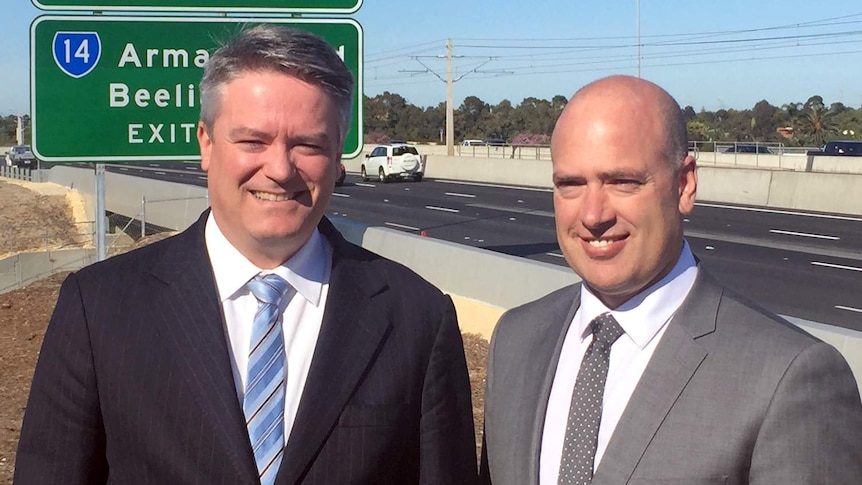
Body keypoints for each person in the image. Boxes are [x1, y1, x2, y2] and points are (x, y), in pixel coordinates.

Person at [15, 25, 477, 485]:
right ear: (207, 143)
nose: (279, 169)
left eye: (308, 144)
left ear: (338, 156)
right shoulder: (99, 308)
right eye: (253, 141)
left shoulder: (418, 317)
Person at [479, 75, 862, 485]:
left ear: (685, 185)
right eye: (570, 185)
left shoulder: (789, 380)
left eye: (622, 182)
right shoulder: (516, 340)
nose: (592, 215)